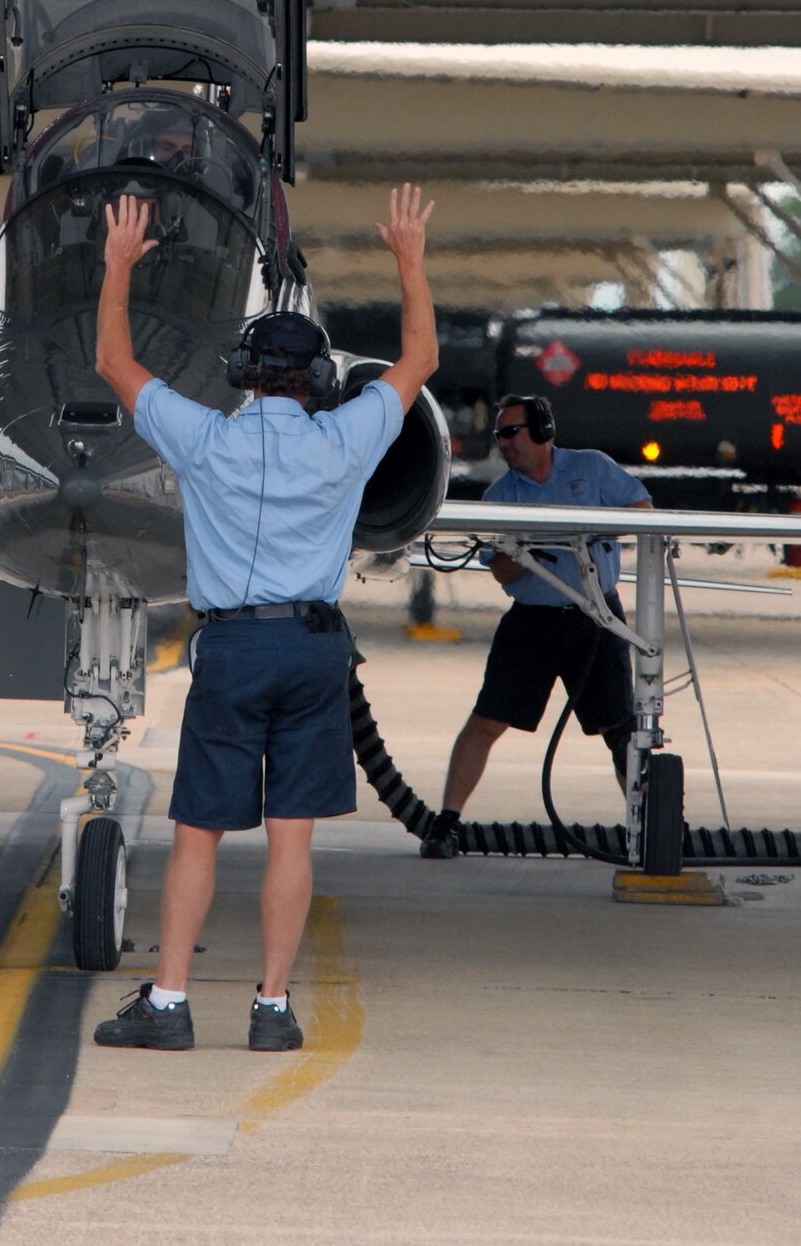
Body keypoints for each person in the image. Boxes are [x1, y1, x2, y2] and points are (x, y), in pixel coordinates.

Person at [91, 182, 437, 1051]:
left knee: (200, 832)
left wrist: (118, 266)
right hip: (316, 649)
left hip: (234, 650)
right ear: (318, 377)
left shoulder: (205, 436)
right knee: (292, 838)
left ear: (244, 371)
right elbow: (420, 360)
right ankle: (272, 1010)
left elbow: (112, 364)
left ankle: (168, 1005)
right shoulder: (348, 436)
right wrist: (408, 260)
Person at [419, 394, 652, 859]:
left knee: (621, 731)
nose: (504, 444)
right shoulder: (500, 498)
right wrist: (521, 545)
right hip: (533, 623)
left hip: (596, 620)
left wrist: (594, 527)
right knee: (486, 722)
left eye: (511, 432)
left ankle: (652, 826)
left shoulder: (593, 468)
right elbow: (502, 574)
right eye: (498, 435)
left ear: (542, 432)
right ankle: (446, 823)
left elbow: (643, 511)